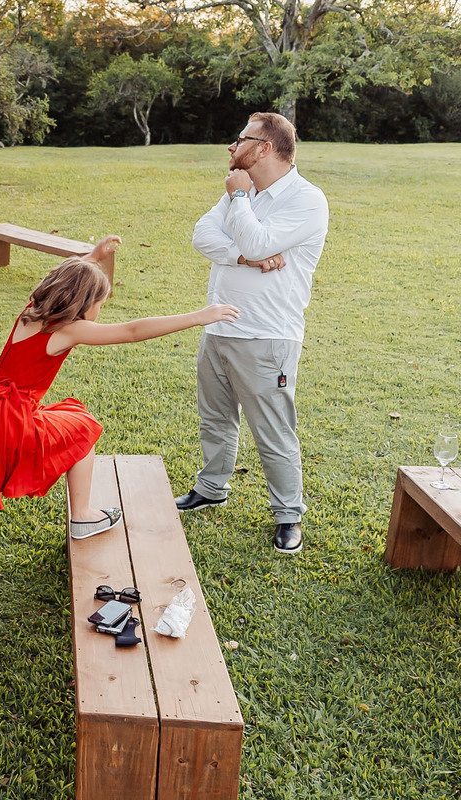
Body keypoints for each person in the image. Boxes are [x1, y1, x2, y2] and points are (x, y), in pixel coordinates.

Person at [0, 242, 239, 630]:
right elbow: (132, 331)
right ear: (82, 303)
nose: (100, 312)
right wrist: (200, 316)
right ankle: (82, 515)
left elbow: (58, 279)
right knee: (83, 426)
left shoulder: (30, 310)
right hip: (13, 419)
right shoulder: (69, 329)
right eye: (99, 303)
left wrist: (90, 261)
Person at [176, 111, 330, 555]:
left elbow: (261, 243)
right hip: (219, 324)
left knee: (274, 429)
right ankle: (211, 487)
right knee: (215, 416)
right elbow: (202, 236)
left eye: (239, 138)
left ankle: (288, 514)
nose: (231, 146)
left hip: (267, 335)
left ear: (264, 148)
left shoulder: (305, 199)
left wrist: (242, 207)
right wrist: (242, 258)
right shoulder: (242, 191)